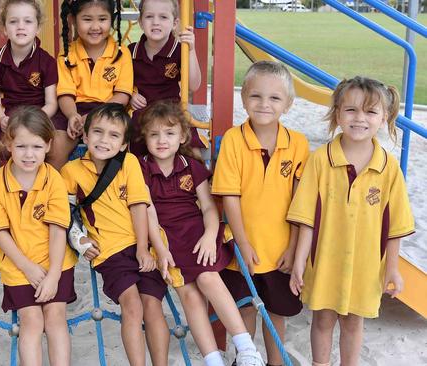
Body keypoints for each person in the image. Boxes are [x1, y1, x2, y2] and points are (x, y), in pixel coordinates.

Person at [287, 76, 414, 366]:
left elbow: (395, 226)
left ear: (384, 118)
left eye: (370, 112)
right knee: (322, 320)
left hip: (366, 265)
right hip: (325, 261)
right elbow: (305, 217)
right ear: (337, 114)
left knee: (354, 323)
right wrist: (298, 262)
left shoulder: (389, 167)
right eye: (351, 110)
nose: (360, 119)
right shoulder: (319, 160)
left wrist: (392, 269)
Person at [139, 101, 266, 366]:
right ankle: (212, 359)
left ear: (183, 137)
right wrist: (160, 250)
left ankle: (246, 349)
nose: (162, 140)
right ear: (145, 138)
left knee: (208, 279)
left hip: (198, 235)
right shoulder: (141, 169)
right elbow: (147, 212)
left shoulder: (191, 166)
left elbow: (209, 207)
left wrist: (210, 235)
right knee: (189, 296)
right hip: (167, 240)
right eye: (154, 134)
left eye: (169, 133)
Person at [212, 61, 309, 366]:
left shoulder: (298, 144)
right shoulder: (233, 140)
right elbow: (230, 196)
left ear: (288, 104)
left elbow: (300, 202)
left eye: (275, 98)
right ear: (244, 99)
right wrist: (242, 243)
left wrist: (293, 248)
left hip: (279, 248)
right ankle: (245, 359)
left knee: (276, 311)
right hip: (239, 249)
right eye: (256, 96)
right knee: (245, 309)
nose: (264, 104)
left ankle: (275, 361)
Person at [61, 103, 170, 366]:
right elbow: (65, 214)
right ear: (85, 137)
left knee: (153, 306)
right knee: (132, 306)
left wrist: (144, 249)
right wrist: (79, 240)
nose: (103, 140)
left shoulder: (129, 162)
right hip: (109, 250)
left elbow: (138, 206)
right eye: (97, 132)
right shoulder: (71, 171)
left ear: (123, 144)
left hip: (142, 242)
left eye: (113, 135)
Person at [0, 106, 78, 365]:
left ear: (48, 146)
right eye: (21, 146)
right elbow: (0, 232)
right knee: (32, 321)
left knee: (56, 316)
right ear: (8, 144)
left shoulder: (53, 180)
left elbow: (58, 230)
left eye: (36, 147)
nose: (28, 154)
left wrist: (54, 274)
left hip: (56, 262)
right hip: (18, 265)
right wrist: (27, 268)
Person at [0, 0, 62, 242]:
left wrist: (35, 120)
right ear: (4, 28)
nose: (20, 27)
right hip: (7, 116)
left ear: (37, 27)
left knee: (28, 151)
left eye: (27, 21)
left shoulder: (46, 60)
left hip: (37, 115)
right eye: (13, 21)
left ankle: (28, 208)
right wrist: (1, 118)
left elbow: (52, 103)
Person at [127, 0, 205, 157]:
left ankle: (194, 175)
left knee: (192, 147)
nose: (156, 22)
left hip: (171, 109)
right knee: (135, 136)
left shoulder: (179, 49)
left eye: (163, 17)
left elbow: (194, 85)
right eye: (149, 16)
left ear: (175, 23)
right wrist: (130, 95)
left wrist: (190, 50)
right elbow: (120, 82)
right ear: (141, 22)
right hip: (142, 110)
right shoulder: (131, 51)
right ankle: (143, 173)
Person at [57, 0, 133, 152]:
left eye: (102, 19)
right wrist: (73, 116)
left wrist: (94, 116)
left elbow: (122, 96)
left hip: (109, 109)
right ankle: (56, 176)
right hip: (73, 110)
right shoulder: (66, 54)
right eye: (87, 19)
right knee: (57, 145)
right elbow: (65, 94)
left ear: (112, 19)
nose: (95, 27)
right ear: (72, 20)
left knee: (117, 139)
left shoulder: (122, 53)